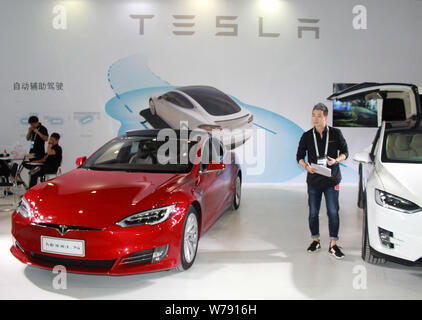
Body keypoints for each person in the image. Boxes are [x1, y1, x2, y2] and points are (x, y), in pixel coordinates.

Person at [296, 103, 348, 259]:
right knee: (313, 213)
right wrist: (306, 166)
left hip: (332, 180)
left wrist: (336, 160)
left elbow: (345, 152)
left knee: (333, 212)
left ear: (326, 117)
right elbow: (299, 156)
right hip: (314, 180)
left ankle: (333, 244)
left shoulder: (336, 133)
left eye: (319, 115)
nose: (315, 118)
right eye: (313, 115)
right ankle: (315, 240)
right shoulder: (306, 136)